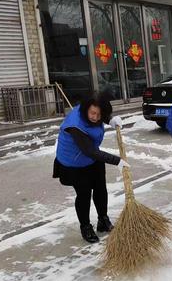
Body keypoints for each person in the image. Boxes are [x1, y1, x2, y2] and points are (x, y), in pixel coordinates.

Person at [53, 94, 129, 243]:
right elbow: (90, 151)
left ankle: (103, 219)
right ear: (86, 109)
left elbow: (92, 150)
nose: (95, 117)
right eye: (93, 113)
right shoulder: (75, 125)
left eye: (99, 115)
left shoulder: (96, 113)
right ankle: (86, 227)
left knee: (100, 188)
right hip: (74, 162)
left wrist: (110, 120)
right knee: (84, 194)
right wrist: (117, 161)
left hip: (92, 157)